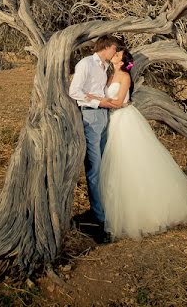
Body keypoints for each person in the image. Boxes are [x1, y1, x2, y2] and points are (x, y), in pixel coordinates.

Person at [99, 48, 187, 240]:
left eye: (117, 55)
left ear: (122, 62)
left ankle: (144, 213)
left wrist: (97, 101)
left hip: (123, 119)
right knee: (116, 164)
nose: (113, 56)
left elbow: (121, 101)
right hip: (111, 120)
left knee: (133, 162)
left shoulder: (124, 77)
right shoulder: (110, 74)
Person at [68, 35, 120, 234]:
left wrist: (104, 101)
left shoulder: (105, 67)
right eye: (114, 48)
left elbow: (98, 90)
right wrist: (98, 102)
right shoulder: (86, 64)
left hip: (105, 116)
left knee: (105, 165)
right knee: (95, 168)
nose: (115, 52)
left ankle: (107, 208)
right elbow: (74, 91)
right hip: (91, 117)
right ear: (106, 47)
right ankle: (99, 217)